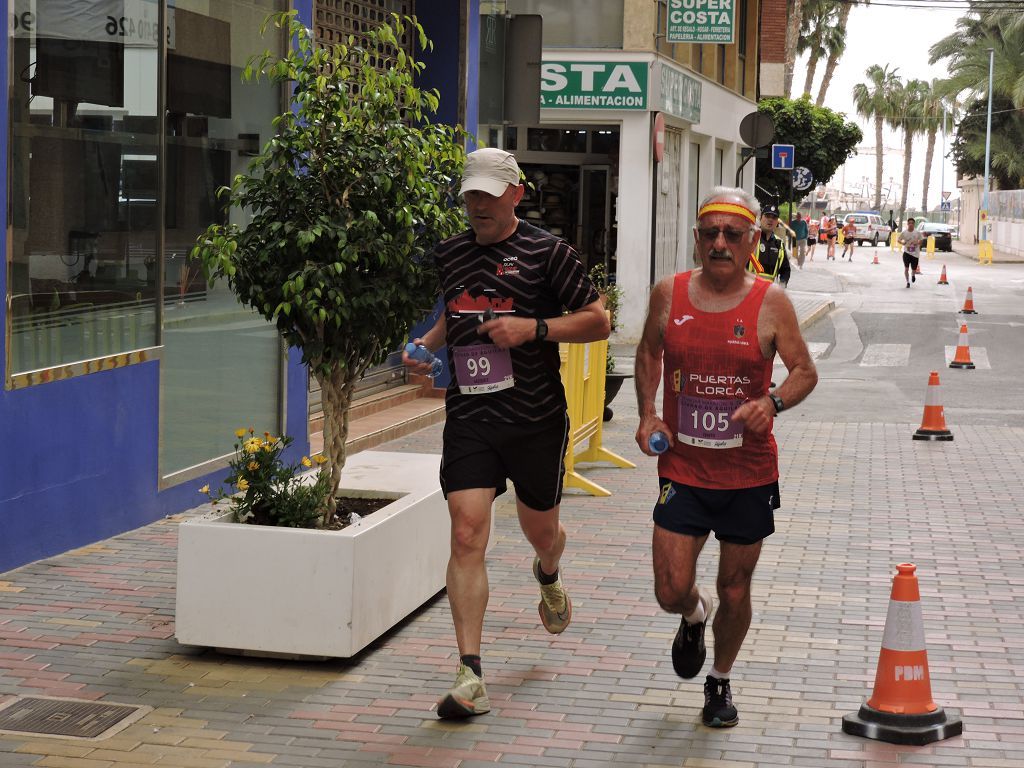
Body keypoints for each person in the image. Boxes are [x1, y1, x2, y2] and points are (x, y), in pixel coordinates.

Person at [404, 147, 610, 720]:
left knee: (540, 530)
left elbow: (598, 320)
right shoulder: (450, 252)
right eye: (470, 194)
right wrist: (426, 346)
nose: (477, 206)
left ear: (516, 193)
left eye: (489, 195)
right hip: (471, 417)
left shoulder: (549, 252)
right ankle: (470, 674)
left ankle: (548, 572)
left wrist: (534, 328)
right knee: (467, 533)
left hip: (536, 420)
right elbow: (454, 315)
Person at [634, 186, 818, 728]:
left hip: (747, 473)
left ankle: (719, 681)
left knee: (735, 587)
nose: (719, 243)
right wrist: (648, 414)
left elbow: (805, 371)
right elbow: (648, 349)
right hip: (684, 470)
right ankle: (692, 617)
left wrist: (773, 402)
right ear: (696, 239)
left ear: (751, 241)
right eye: (710, 233)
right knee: (670, 588)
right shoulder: (668, 293)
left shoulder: (772, 302)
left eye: (732, 234)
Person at [747, 203, 790, 287]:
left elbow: (785, 270)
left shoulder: (779, 243)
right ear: (760, 218)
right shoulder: (750, 238)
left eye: (774, 218)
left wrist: (781, 286)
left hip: (768, 293)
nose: (770, 220)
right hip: (749, 291)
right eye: (767, 216)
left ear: (777, 222)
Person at [898, 217, 925, 288]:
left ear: (914, 224)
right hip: (906, 253)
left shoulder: (917, 233)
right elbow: (898, 240)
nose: (911, 224)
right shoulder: (904, 233)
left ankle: (913, 275)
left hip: (915, 254)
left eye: (912, 223)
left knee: (914, 269)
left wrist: (918, 243)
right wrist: (903, 243)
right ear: (907, 224)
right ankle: (907, 282)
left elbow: (922, 240)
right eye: (909, 223)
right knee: (906, 268)